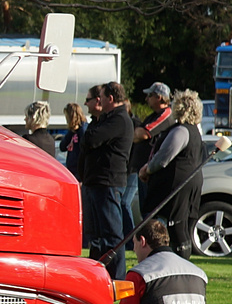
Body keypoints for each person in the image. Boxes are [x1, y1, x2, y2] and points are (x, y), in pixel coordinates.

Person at [139, 89, 206, 253]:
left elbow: (163, 158)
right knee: (181, 226)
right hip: (190, 182)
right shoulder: (195, 131)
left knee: (176, 227)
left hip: (177, 185)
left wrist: (147, 170)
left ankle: (177, 260)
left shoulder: (181, 130)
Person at [80, 82, 134, 279]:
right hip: (96, 182)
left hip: (108, 183)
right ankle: (96, 273)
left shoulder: (118, 119)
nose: (99, 102)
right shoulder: (107, 119)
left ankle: (117, 277)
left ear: (110, 98)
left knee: (111, 235)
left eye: (101, 97)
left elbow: (91, 139)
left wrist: (90, 134)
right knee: (95, 235)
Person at [130, 81, 171, 230]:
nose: (146, 99)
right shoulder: (152, 116)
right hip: (144, 170)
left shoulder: (166, 114)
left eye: (150, 96)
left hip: (152, 172)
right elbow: (136, 135)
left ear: (159, 97)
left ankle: (156, 242)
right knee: (145, 211)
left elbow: (142, 134)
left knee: (153, 212)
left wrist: (137, 134)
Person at [61, 100, 89, 179]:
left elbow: (84, 152)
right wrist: (71, 131)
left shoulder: (83, 130)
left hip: (79, 172)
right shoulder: (72, 131)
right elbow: (62, 146)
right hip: (71, 171)